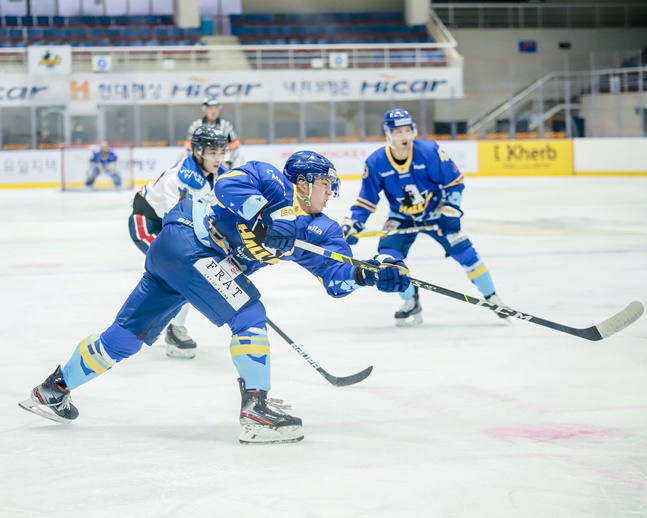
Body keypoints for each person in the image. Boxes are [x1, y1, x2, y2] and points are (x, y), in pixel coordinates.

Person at [20, 151, 411, 445]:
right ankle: (256, 410)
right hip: (188, 238)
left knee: (125, 336)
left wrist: (369, 275)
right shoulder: (270, 178)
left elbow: (336, 279)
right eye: (327, 184)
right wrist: (262, 218)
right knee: (250, 313)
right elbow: (228, 185)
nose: (331, 193)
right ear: (305, 181)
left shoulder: (320, 231)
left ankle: (53, 390)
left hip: (182, 261)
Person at [341, 108, 507, 327]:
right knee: (388, 261)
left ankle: (493, 298)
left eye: (408, 130)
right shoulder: (375, 162)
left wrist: (450, 210)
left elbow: (454, 183)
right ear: (388, 134)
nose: (404, 137)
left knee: (466, 254)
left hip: (436, 214)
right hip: (401, 218)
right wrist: (354, 224)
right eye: (398, 132)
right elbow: (366, 200)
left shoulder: (430, 152)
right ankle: (411, 300)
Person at [129, 125, 228, 359]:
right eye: (212, 152)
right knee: (183, 272)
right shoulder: (179, 178)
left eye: (221, 152)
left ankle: (165, 326)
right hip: (148, 224)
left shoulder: (220, 175)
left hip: (174, 226)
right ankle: (166, 328)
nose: (218, 157)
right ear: (197, 151)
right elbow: (177, 223)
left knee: (183, 274)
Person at [184, 97, 241, 169]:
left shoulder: (226, 126)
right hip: (201, 167)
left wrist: (229, 163)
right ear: (205, 109)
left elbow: (235, 146)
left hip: (221, 166)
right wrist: (196, 162)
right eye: (210, 108)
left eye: (216, 108)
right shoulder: (196, 126)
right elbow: (189, 146)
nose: (213, 111)